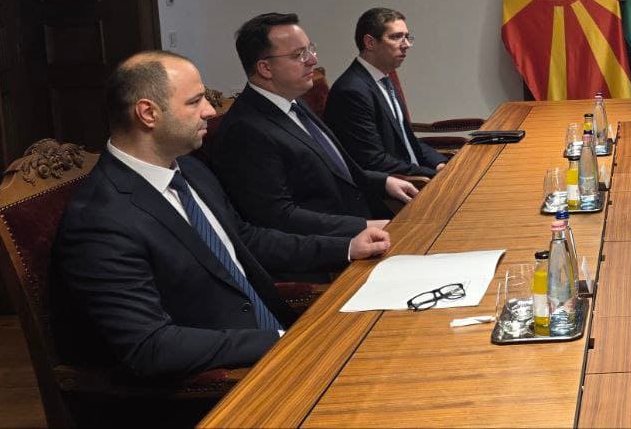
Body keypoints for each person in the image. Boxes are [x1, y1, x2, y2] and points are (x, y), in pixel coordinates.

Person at [52, 51, 391, 379]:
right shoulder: (100, 220)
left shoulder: (189, 169)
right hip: (226, 383)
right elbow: (151, 346)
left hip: (279, 342)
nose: (211, 111)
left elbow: (245, 240)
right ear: (148, 113)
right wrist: (283, 341)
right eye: (194, 101)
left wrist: (347, 247)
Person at [209, 13, 420, 237]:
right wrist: (361, 227)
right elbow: (278, 217)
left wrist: (384, 181)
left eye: (310, 49)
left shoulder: (294, 100)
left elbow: (338, 170)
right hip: (336, 243)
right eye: (299, 54)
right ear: (265, 68)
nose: (312, 60)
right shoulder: (244, 131)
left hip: (366, 218)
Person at [324, 8, 449, 177]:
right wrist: (433, 175)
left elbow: (406, 140)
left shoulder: (383, 77)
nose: (406, 45)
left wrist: (441, 164)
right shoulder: (351, 91)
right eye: (396, 37)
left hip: (414, 174)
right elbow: (373, 161)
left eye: (407, 37)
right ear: (370, 42)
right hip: (398, 186)